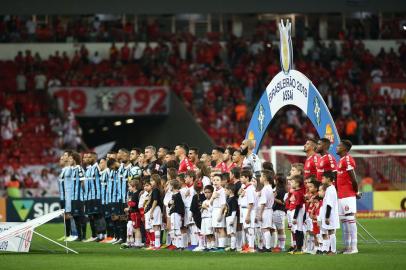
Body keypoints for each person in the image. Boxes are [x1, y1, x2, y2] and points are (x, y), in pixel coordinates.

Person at [336, 139, 359, 254]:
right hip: (341, 195)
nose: (336, 147)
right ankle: (347, 246)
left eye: (339, 146)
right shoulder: (340, 160)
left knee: (350, 219)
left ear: (344, 148)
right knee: (344, 221)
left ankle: (354, 247)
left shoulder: (348, 159)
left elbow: (353, 178)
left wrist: (356, 192)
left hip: (348, 195)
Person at [319, 171, 340, 255]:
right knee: (329, 232)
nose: (322, 180)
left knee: (331, 232)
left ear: (328, 179)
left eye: (323, 178)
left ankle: (333, 250)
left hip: (330, 215)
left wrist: (327, 217)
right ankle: (329, 249)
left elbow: (329, 205)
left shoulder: (331, 190)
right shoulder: (329, 189)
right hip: (329, 215)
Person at [69, 151, 87, 241]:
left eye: (71, 158)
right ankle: (79, 236)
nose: (69, 160)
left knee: (81, 216)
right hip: (73, 198)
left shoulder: (79, 168)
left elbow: (83, 182)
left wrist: (85, 194)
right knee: (75, 216)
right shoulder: (71, 170)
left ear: (75, 159)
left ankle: (83, 236)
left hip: (79, 197)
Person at [239, 169, 256, 253]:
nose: (240, 179)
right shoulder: (245, 187)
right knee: (246, 228)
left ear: (247, 178)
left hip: (249, 210)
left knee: (250, 229)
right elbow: (239, 194)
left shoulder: (250, 188)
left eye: (242, 177)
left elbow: (251, 202)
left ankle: (252, 247)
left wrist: (248, 215)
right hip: (244, 209)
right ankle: (248, 246)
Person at [144, 174, 163, 250]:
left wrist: (151, 211)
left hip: (155, 208)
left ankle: (157, 245)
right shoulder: (157, 189)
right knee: (155, 226)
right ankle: (156, 244)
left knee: (156, 226)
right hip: (156, 208)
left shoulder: (155, 189)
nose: (151, 182)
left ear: (156, 181)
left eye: (152, 180)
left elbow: (155, 201)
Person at [258, 170, 275, 252]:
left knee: (265, 229)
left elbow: (263, 202)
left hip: (266, 210)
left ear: (265, 178)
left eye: (261, 176)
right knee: (266, 228)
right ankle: (266, 246)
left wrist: (260, 214)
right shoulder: (269, 188)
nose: (260, 178)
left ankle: (267, 247)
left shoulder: (265, 189)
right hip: (269, 210)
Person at [210, 174, 227, 251]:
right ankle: (218, 245)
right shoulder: (214, 190)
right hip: (214, 210)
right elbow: (210, 203)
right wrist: (213, 198)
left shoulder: (222, 191)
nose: (215, 182)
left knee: (221, 228)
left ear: (221, 182)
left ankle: (222, 246)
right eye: (214, 180)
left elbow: (223, 204)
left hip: (219, 210)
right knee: (216, 229)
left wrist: (220, 214)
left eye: (217, 180)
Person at [290, 175, 305, 255]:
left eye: (292, 182)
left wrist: (295, 217)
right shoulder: (296, 192)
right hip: (297, 212)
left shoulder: (298, 193)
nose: (291, 183)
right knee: (296, 230)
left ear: (297, 183)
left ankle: (300, 248)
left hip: (298, 212)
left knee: (299, 230)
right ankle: (298, 248)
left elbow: (298, 205)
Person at [169, 179, 185, 250]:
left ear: (172, 186)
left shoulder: (177, 195)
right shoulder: (174, 195)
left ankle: (180, 246)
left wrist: (181, 214)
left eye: (169, 185)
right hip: (173, 214)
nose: (169, 187)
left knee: (177, 229)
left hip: (176, 214)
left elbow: (180, 206)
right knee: (174, 230)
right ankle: (177, 245)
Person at [190, 180, 206, 251]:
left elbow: (192, 208)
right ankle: (204, 244)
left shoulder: (195, 197)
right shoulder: (204, 196)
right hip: (204, 215)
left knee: (199, 231)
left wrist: (191, 216)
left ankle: (201, 244)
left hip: (197, 216)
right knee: (204, 230)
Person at [272, 174, 286, 252]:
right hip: (276, 210)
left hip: (279, 211)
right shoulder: (277, 188)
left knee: (280, 229)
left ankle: (282, 246)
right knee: (278, 229)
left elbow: (283, 202)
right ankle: (279, 246)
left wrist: (273, 198)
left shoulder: (282, 190)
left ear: (277, 181)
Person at [225, 183, 238, 251]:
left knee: (232, 232)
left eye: (226, 190)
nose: (225, 191)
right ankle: (231, 246)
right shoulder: (228, 198)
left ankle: (233, 247)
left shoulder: (233, 199)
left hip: (231, 217)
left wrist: (232, 219)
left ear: (230, 190)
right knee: (230, 232)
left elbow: (234, 210)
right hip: (228, 217)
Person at [201, 185, 215, 251]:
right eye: (205, 192)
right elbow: (201, 211)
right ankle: (208, 246)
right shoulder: (204, 201)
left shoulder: (212, 201)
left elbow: (212, 210)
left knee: (210, 233)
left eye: (208, 192)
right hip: (204, 218)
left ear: (212, 193)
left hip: (209, 218)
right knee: (206, 233)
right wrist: (202, 208)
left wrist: (206, 207)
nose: (206, 194)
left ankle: (213, 245)